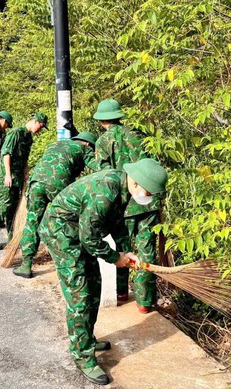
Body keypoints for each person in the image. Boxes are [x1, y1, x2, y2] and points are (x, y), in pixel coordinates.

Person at [39, 158, 167, 386]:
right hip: (62, 234)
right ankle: (82, 355)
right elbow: (89, 237)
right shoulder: (105, 191)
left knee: (94, 285)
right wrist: (115, 258)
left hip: (80, 233)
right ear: (136, 183)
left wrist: (125, 250)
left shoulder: (122, 187)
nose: (149, 197)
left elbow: (115, 222)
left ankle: (86, 337)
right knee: (80, 294)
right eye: (148, 191)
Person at [93, 98, 157, 313]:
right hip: (147, 200)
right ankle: (145, 302)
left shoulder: (103, 141)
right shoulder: (139, 134)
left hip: (122, 203)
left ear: (102, 121)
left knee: (122, 249)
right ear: (119, 116)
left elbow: (102, 175)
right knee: (147, 250)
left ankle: (121, 292)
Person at [13, 131, 99, 278]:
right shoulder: (84, 149)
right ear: (88, 144)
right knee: (68, 219)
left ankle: (26, 264)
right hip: (58, 183)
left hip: (37, 182)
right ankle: (70, 259)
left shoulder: (56, 144)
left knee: (33, 221)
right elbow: (99, 168)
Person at [0, 111, 47, 250]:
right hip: (6, 177)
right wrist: (7, 174)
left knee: (13, 208)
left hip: (18, 177)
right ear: (35, 121)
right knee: (3, 205)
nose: (40, 130)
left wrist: (26, 173)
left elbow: (25, 158)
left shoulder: (28, 138)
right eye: (41, 126)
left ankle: (12, 236)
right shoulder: (16, 133)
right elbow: (6, 154)